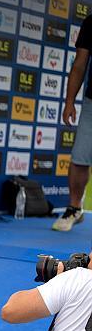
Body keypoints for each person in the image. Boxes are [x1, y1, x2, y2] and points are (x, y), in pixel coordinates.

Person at [53, 14, 92, 231]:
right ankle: (74, 208)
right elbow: (79, 64)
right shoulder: (91, 22)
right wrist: (69, 102)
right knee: (79, 157)